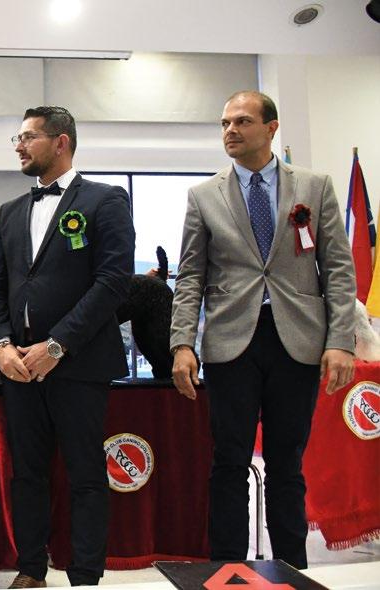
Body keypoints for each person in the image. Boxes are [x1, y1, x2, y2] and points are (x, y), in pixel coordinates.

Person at [170, 91, 356, 569]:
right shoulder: (203, 196)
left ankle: (292, 566)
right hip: (230, 342)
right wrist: (182, 343)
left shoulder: (314, 187)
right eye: (225, 123)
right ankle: (227, 567)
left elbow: (338, 269)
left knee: (287, 463)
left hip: (298, 340)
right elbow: (190, 276)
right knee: (229, 460)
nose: (230, 131)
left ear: (271, 128)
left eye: (242, 121)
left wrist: (340, 341)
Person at [0, 106, 135, 587]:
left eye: (28, 137)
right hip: (19, 366)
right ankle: (31, 568)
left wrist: (57, 345)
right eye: (17, 138)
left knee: (85, 474)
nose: (19, 145)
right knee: (27, 473)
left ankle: (86, 575)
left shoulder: (105, 200)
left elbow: (112, 282)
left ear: (61, 141)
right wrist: (1, 345)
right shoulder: (10, 211)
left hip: (79, 363)